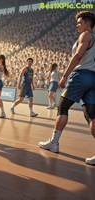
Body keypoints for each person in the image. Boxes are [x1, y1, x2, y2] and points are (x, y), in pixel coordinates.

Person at [39, 11, 95, 165]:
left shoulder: (86, 35)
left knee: (62, 107)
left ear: (87, 24)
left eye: (79, 23)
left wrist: (65, 75)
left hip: (81, 75)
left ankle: (54, 142)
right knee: (91, 115)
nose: (77, 25)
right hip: (93, 78)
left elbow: (77, 56)